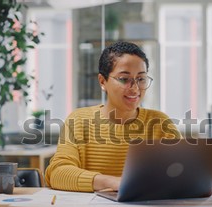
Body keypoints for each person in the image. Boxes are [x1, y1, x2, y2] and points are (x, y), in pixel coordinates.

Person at [45, 41, 181, 192]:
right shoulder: (78, 120)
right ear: (103, 81)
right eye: (124, 79)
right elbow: (58, 173)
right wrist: (114, 183)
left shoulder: (160, 123)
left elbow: (184, 172)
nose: (135, 88)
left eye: (141, 79)